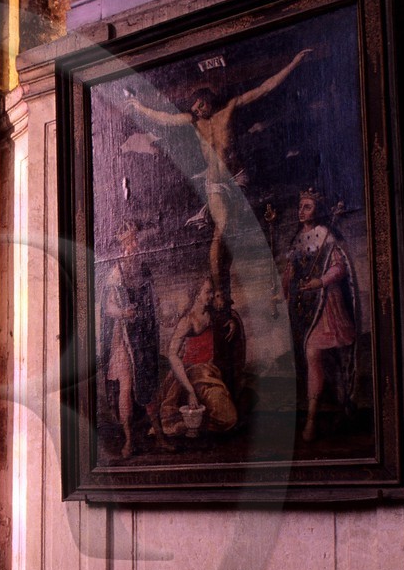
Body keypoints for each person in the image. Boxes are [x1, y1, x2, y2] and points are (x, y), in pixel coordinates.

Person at [121, 47, 314, 299]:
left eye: (200, 105)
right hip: (215, 182)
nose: (198, 110)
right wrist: (139, 107)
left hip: (238, 178)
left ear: (208, 100)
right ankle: (220, 291)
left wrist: (293, 63)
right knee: (220, 231)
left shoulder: (229, 109)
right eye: (194, 108)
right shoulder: (193, 121)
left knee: (243, 230)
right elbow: (164, 118)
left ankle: (264, 280)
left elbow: (264, 88)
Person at [282, 189, 358, 442]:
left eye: (307, 207)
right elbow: (291, 271)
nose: (301, 211)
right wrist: (281, 292)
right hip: (304, 306)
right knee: (313, 356)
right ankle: (315, 416)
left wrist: (320, 282)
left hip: (326, 304)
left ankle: (324, 414)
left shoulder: (326, 235)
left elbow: (339, 267)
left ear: (317, 210)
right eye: (300, 206)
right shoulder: (297, 240)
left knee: (332, 357)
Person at [99, 220, 162, 458]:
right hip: (122, 338)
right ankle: (128, 441)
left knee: (148, 382)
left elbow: (153, 299)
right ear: (122, 247)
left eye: (135, 241)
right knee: (126, 387)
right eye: (128, 243)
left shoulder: (143, 269)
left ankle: (160, 434)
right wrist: (124, 313)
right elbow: (108, 308)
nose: (133, 246)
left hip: (143, 334)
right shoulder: (116, 273)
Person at [158, 275, 244, 439]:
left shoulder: (211, 313)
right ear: (197, 294)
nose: (211, 296)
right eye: (208, 292)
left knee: (230, 417)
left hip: (210, 374)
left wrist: (232, 321)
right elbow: (172, 354)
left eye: (212, 292)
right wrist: (189, 390)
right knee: (227, 417)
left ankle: (195, 425)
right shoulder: (188, 320)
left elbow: (225, 318)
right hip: (193, 375)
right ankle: (189, 425)